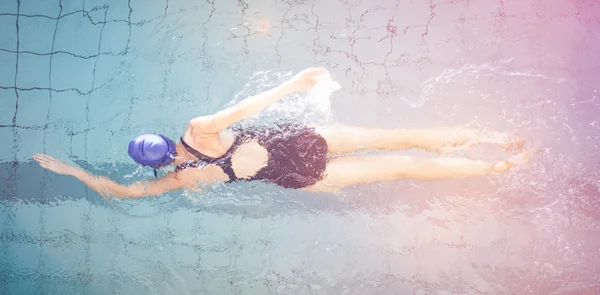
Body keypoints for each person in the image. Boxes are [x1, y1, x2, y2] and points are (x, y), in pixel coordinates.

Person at [33, 67, 532, 200]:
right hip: (302, 140)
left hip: (300, 177)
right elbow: (251, 105)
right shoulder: (199, 130)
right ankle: (493, 137)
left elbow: (123, 191)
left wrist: (70, 170)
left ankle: (496, 168)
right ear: (164, 140)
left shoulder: (184, 181)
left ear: (157, 161)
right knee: (401, 135)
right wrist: (297, 81)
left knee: (401, 167)